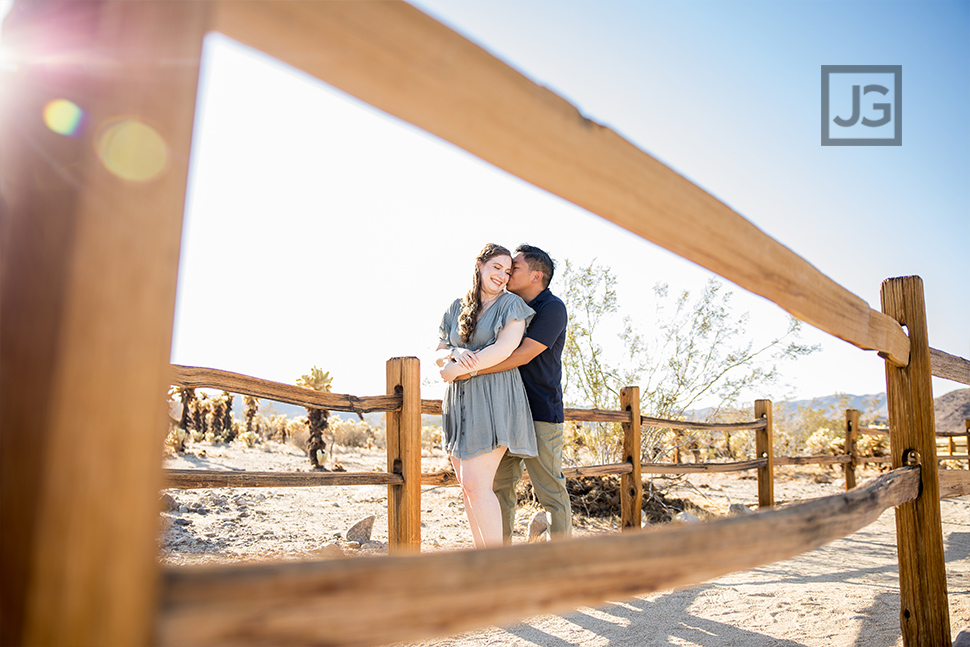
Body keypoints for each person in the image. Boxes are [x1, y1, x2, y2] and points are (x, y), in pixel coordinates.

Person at [455, 244, 571, 543]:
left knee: (550, 489)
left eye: (514, 269)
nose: (506, 274)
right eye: (502, 269)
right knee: (500, 488)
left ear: (536, 275)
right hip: (504, 412)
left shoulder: (552, 308)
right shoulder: (504, 305)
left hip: (539, 411)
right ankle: (501, 558)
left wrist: (472, 370)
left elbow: (523, 355)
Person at [436, 243, 537, 548]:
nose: (503, 276)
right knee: (468, 488)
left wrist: (458, 371)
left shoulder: (511, 306)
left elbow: (504, 349)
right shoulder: (456, 307)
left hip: (494, 399)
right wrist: (451, 354)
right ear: (480, 264)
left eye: (508, 272)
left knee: (477, 485)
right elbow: (437, 352)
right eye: (497, 268)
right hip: (459, 404)